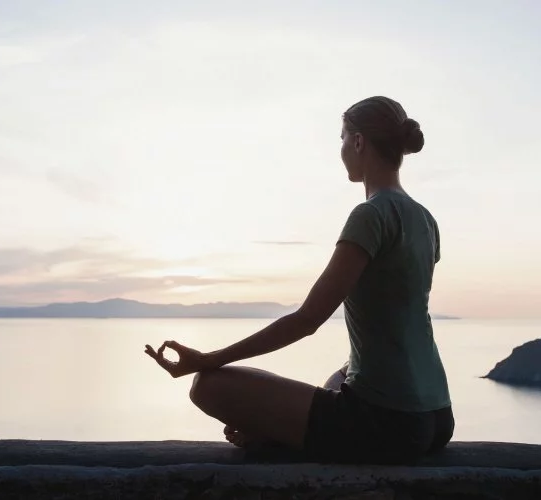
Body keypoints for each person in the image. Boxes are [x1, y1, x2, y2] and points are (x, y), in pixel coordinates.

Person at [145, 96, 453, 465]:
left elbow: (307, 320)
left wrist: (208, 359)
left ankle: (276, 439)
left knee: (209, 386)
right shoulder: (425, 220)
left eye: (342, 139)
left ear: (358, 142)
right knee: (341, 377)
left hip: (388, 423)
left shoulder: (370, 215)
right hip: (437, 416)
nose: (341, 149)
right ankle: (280, 434)